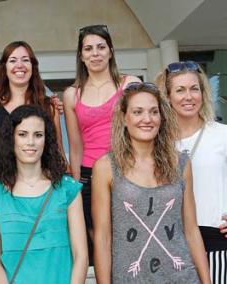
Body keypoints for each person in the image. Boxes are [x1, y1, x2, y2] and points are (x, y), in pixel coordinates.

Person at [92, 82, 210, 283]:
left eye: (154, 112)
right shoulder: (106, 167)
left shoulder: (180, 163)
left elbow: (190, 229)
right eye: (137, 112)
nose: (147, 119)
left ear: (161, 118)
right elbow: (103, 238)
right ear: (124, 118)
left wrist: (206, 281)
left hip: (182, 277)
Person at [63, 24, 141, 259]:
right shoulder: (71, 95)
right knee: (100, 242)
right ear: (81, 55)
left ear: (111, 51)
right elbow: (75, 146)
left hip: (127, 171)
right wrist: (75, 189)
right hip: (88, 176)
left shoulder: (129, 84)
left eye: (100, 47)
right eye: (88, 49)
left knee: (133, 238)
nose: (95, 53)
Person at [0, 105, 88, 283]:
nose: (31, 142)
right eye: (22, 134)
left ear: (46, 140)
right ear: (11, 139)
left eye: (38, 135)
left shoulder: (68, 189)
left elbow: (81, 256)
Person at [156, 61, 227, 283]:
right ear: (167, 97)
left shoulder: (223, 135)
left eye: (194, 89)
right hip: (171, 245)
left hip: (217, 241)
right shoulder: (158, 143)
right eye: (180, 90)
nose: (189, 96)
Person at [0, 41, 64, 188]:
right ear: (4, 68)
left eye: (25, 60)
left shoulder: (49, 107)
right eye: (13, 60)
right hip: (4, 191)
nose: (20, 65)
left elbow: (58, 153)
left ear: (33, 67)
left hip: (45, 191)